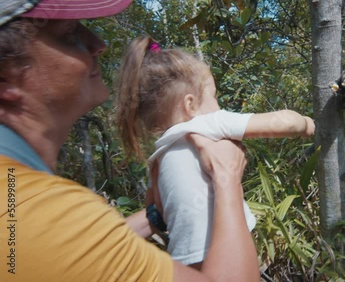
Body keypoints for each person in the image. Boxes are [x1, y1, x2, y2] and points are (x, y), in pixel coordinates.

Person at [0, 0, 259, 281]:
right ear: (7, 78)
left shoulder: (20, 198)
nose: (98, 43)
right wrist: (227, 178)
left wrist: (156, 216)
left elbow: (82, 251)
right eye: (69, 33)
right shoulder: (42, 217)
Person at [115, 36, 315, 268]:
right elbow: (286, 123)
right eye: (214, 96)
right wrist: (306, 124)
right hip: (228, 251)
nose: (217, 104)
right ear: (190, 105)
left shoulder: (158, 156)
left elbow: (155, 206)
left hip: (184, 261)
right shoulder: (205, 123)